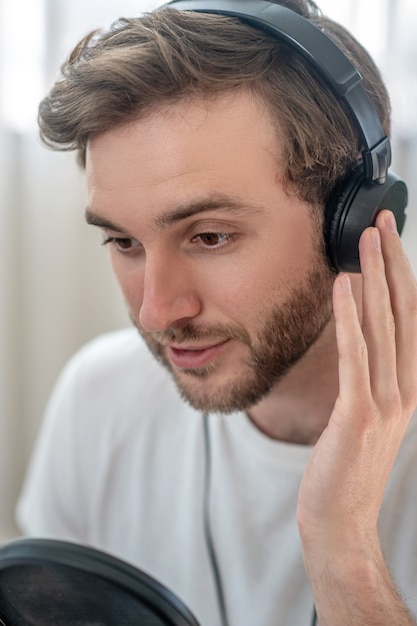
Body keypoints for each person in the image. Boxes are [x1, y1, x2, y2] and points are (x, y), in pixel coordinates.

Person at [16, 0, 417, 624]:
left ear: (356, 222)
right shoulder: (99, 399)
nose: (156, 313)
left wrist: (344, 553)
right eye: (124, 242)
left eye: (210, 237)